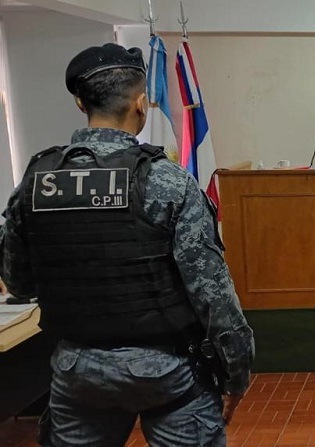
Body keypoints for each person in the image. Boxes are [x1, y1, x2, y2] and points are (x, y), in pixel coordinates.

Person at [0, 43, 254, 446]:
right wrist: (237, 371)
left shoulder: (37, 181)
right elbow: (212, 293)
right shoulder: (166, 181)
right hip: (169, 371)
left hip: (78, 370)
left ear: (80, 103)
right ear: (140, 104)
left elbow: (17, 282)